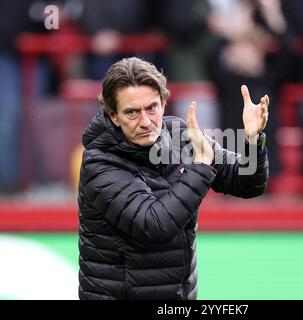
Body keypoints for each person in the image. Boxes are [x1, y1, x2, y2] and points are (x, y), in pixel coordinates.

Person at [77, 57, 270, 300]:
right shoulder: (99, 163)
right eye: (132, 112)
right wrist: (200, 165)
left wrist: (253, 139)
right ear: (113, 115)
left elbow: (247, 183)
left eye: (151, 108)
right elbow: (155, 226)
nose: (145, 121)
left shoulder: (179, 134)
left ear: (164, 103)